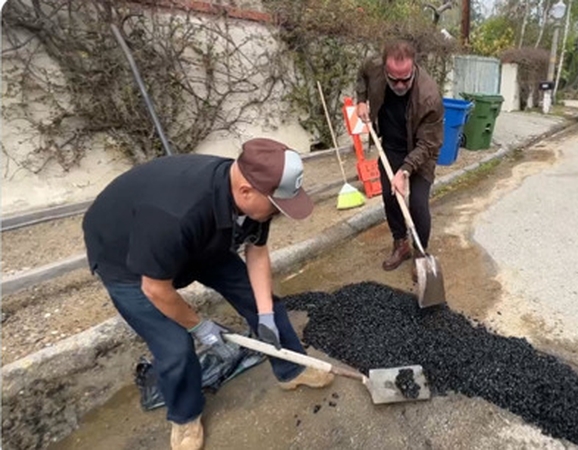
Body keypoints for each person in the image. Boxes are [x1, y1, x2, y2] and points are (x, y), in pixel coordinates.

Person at [82, 138, 334, 450]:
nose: (278, 213)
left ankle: (291, 368)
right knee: (174, 344)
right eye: (276, 206)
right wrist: (199, 326)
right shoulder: (177, 214)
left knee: (264, 301)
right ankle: (185, 418)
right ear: (245, 192)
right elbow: (155, 288)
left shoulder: (251, 192)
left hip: (200, 242)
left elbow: (257, 251)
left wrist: (265, 312)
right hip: (126, 260)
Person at [355, 40, 444, 280]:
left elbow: (429, 143)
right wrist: (361, 100)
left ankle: (420, 255)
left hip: (421, 150)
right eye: (394, 79)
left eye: (406, 78)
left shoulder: (429, 96)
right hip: (391, 146)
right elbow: (362, 74)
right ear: (384, 68)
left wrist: (405, 171)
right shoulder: (374, 66)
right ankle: (400, 243)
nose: (401, 84)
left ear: (413, 66)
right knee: (389, 194)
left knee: (417, 202)